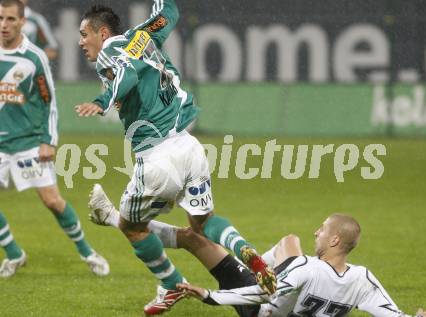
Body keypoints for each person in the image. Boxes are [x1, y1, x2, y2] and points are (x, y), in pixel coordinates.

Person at [75, 1, 276, 314]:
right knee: (203, 223)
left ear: (102, 33)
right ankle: (244, 249)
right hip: (189, 146)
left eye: (84, 34)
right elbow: (168, 14)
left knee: (132, 228)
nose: (80, 42)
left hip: (158, 158)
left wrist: (102, 101)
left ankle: (171, 286)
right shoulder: (141, 36)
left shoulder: (109, 52)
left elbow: (124, 76)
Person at [0, 0, 109, 278]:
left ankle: (87, 252)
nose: (4, 25)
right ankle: (14, 254)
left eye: (11, 19)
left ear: (24, 22)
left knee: (52, 201)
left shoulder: (35, 57)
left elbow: (49, 102)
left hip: (28, 141)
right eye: (1, 18)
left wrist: (49, 140)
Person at [175, 214, 426, 317]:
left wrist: (210, 296)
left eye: (322, 229)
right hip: (276, 304)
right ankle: (260, 268)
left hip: (259, 311)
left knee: (192, 238)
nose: (317, 232)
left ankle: (136, 224)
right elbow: (392, 315)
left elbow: (262, 292)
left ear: (335, 239)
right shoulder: (361, 279)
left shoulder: (306, 268)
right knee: (289, 241)